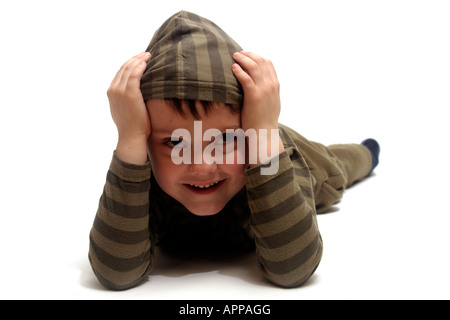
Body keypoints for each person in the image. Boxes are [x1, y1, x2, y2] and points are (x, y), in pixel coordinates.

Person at [88, 11, 380, 290]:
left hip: (286, 159)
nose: (202, 166)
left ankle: (369, 153)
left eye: (225, 139)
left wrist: (263, 131)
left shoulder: (272, 156)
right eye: (175, 143)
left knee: (338, 166)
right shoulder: (140, 177)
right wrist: (129, 137)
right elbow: (116, 272)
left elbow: (293, 269)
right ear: (146, 144)